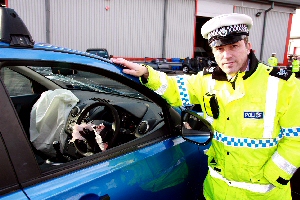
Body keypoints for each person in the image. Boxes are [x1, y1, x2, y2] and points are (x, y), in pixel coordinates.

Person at [112, 13, 300, 200]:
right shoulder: (208, 81)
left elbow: (296, 139)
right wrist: (145, 73)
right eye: (219, 48)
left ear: (248, 47)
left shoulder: (283, 85)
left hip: (262, 195)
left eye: (234, 46)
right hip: (215, 191)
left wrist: (274, 175)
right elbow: (175, 88)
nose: (227, 55)